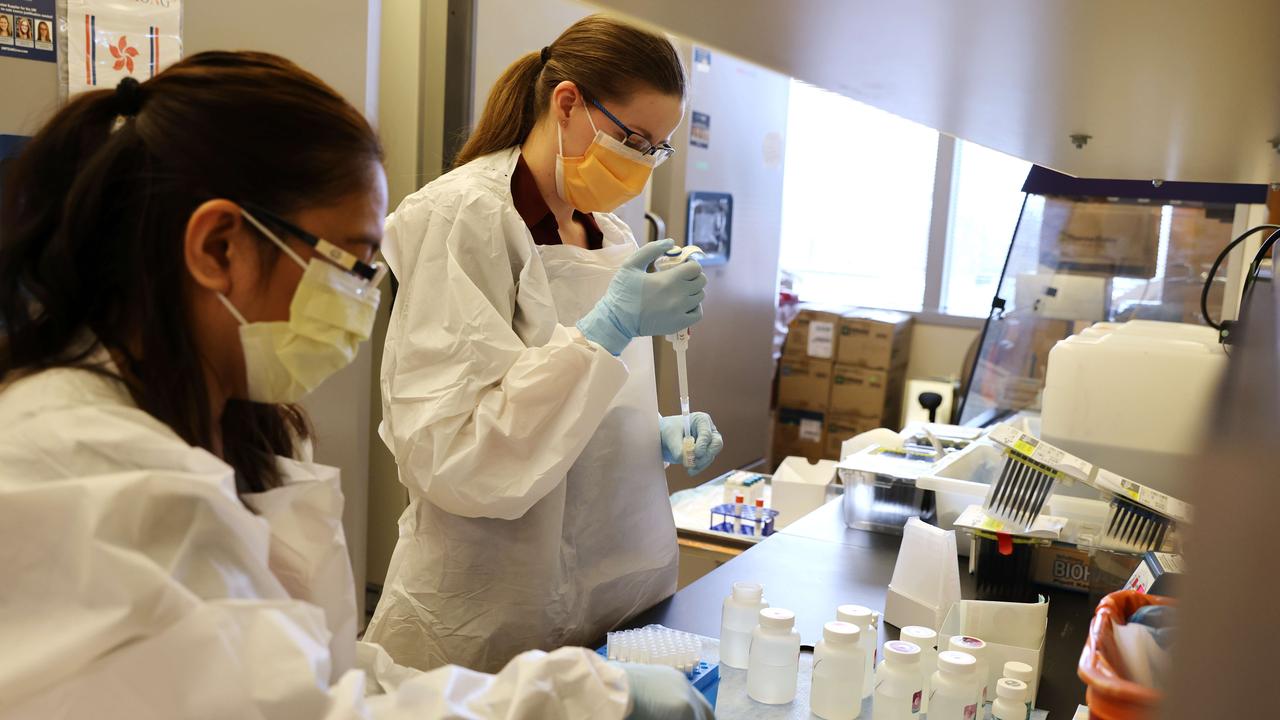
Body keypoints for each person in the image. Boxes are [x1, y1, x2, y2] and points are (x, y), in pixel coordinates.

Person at [0, 52, 710, 720]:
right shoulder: (86, 474)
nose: (367, 299)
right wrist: (568, 701)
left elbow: (322, 670)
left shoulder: (229, 429)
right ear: (219, 247)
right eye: (353, 263)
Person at [367, 14, 725, 674]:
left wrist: (649, 429)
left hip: (616, 588)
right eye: (635, 139)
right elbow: (455, 454)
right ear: (567, 103)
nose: (644, 163)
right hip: (487, 607)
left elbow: (579, 399)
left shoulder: (614, 234)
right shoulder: (465, 217)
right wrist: (607, 329)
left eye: (659, 148)